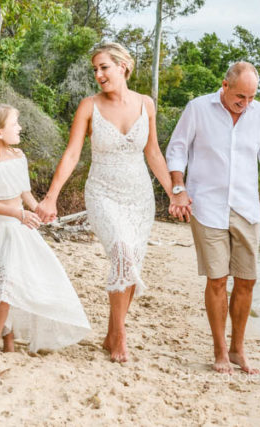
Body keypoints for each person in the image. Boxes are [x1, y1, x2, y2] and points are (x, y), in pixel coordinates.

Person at [36, 42, 177, 362]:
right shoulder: (89, 106)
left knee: (131, 264)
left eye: (104, 67)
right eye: (95, 69)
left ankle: (112, 333)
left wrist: (173, 193)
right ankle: (120, 336)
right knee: (123, 254)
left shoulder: (146, 104)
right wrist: (51, 197)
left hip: (139, 197)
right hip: (103, 194)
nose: (98, 74)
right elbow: (72, 153)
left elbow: (154, 153)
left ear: (123, 66)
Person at [166, 61, 260, 374]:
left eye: (251, 97)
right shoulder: (198, 109)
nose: (245, 103)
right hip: (206, 206)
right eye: (240, 96)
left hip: (246, 207)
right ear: (225, 85)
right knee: (217, 280)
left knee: (247, 280)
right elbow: (177, 150)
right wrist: (178, 188)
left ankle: (237, 349)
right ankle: (219, 351)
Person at [0, 104, 92, 357]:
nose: (20, 128)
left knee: (10, 282)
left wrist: (38, 209)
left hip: (18, 228)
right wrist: (19, 214)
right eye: (15, 124)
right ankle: (2, 340)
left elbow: (24, 192)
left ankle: (1, 341)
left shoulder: (18, 156)